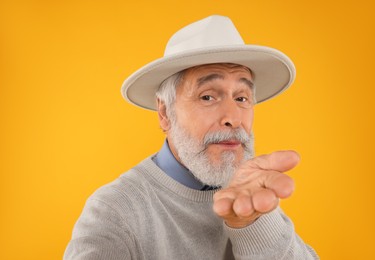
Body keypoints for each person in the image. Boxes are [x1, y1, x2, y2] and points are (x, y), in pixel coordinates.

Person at [64, 15, 318, 259]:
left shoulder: (253, 196)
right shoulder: (115, 212)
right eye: (207, 96)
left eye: (241, 98)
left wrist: (253, 223)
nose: (234, 118)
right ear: (165, 113)